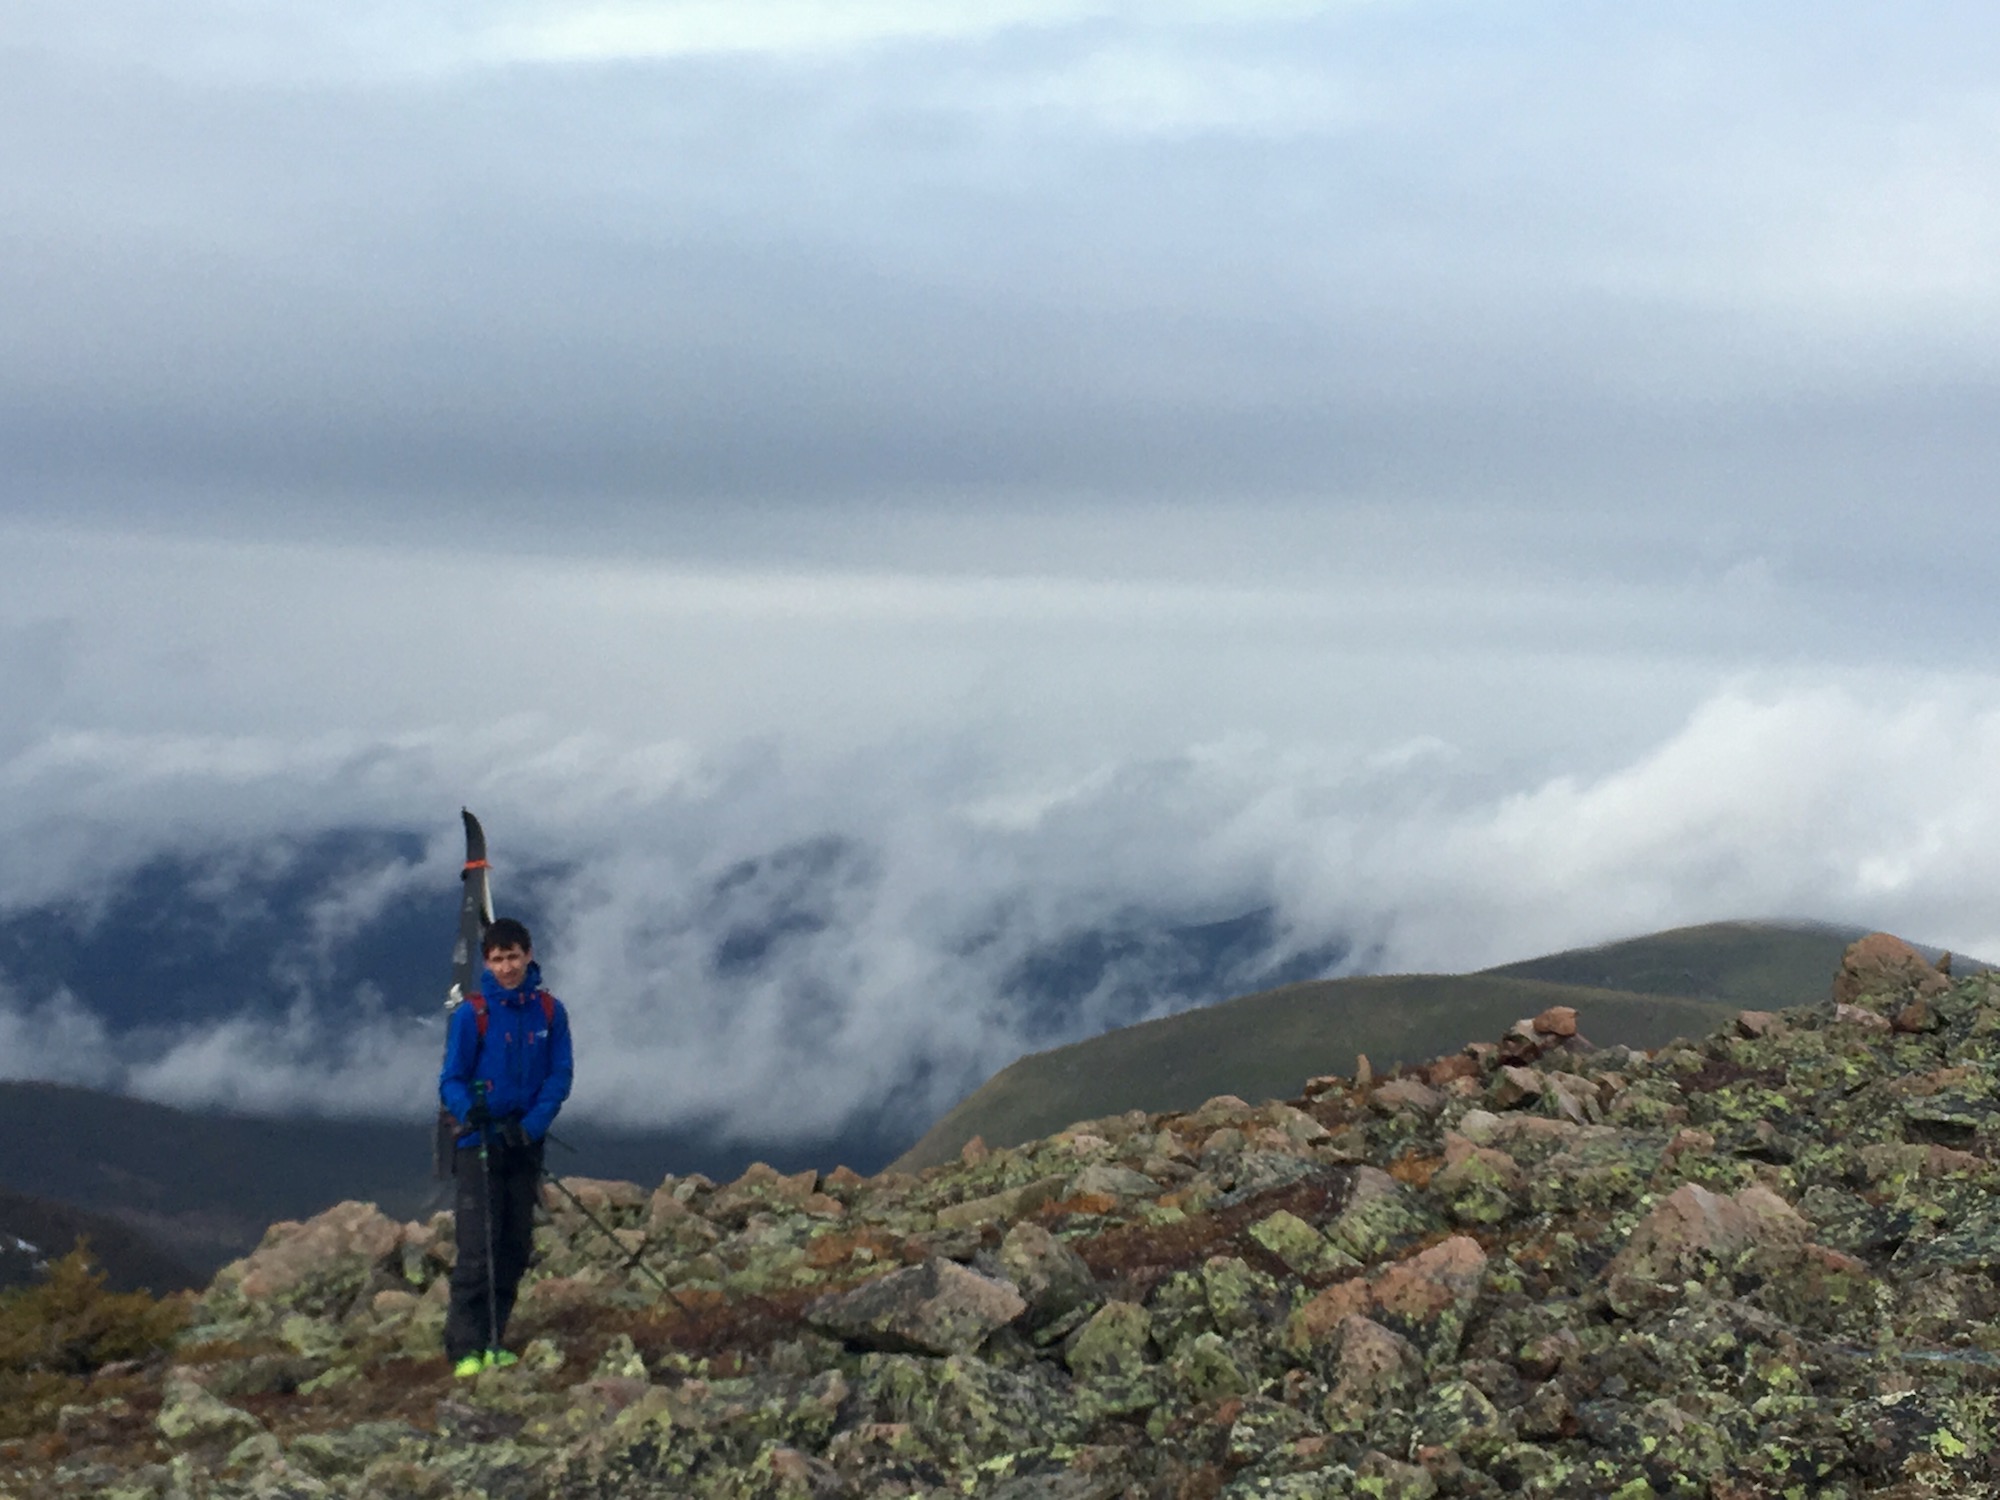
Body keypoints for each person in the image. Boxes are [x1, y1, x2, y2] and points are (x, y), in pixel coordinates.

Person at [437, 917, 574, 1376]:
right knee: (478, 1247)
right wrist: (466, 1110)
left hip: (523, 1143)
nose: (506, 966)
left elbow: (559, 1076)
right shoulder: (472, 1015)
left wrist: (532, 1126)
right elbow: (451, 1078)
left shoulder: (551, 1013)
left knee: (515, 1244)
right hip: (479, 1142)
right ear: (487, 963)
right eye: (496, 959)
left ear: (528, 955)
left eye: (513, 956)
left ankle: (495, 1339)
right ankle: (465, 1349)